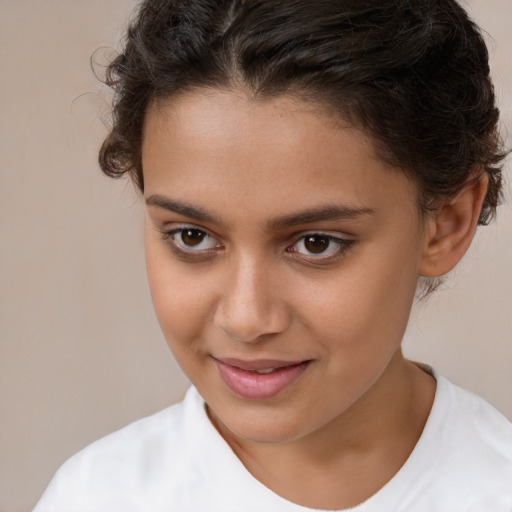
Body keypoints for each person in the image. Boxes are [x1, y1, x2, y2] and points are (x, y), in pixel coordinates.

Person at [33, 0, 512, 510]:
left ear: (446, 224)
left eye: (316, 243)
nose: (246, 319)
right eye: (192, 236)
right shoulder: (94, 497)